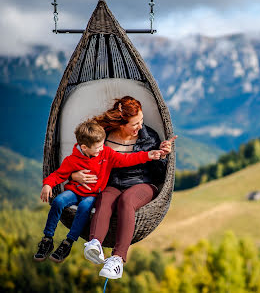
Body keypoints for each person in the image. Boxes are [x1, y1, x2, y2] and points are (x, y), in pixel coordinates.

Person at [71, 96, 177, 279]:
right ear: (121, 123)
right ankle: (95, 243)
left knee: (126, 201)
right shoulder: (103, 136)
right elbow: (81, 157)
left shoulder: (149, 137)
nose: (140, 127)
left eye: (141, 121)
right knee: (104, 198)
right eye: (135, 124)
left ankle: (118, 259)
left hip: (142, 183)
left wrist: (162, 156)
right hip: (114, 183)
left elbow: (160, 175)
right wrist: (75, 175)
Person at [33, 119, 162, 263]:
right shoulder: (72, 159)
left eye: (102, 145)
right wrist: (48, 184)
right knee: (58, 201)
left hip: (93, 195)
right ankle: (47, 238)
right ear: (85, 148)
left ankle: (68, 241)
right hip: (75, 191)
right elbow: (59, 174)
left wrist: (147, 155)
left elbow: (126, 159)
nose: (102, 148)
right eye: (98, 147)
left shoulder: (106, 153)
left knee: (84, 207)